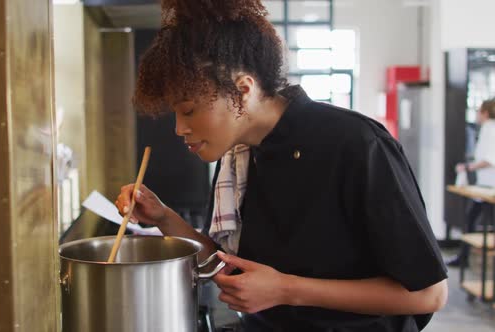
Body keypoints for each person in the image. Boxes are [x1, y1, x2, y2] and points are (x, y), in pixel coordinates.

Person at [115, 0, 448, 330]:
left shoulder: (355, 143)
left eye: (188, 110)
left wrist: (286, 290)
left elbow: (428, 294)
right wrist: (162, 217)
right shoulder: (240, 154)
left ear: (242, 90)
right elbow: (227, 265)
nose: (179, 128)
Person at [448, 99, 495, 267]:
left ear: (485, 113)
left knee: (471, 219)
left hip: (489, 188)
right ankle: (464, 258)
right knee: (471, 218)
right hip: (485, 187)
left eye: (478, 111)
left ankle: (464, 258)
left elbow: (490, 159)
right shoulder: (487, 129)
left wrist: (468, 167)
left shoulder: (490, 129)